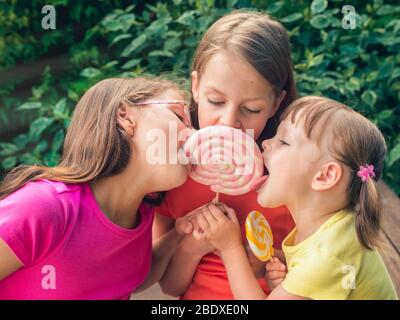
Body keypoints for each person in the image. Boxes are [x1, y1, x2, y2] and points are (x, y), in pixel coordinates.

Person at [0, 77, 193, 299]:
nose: (191, 134)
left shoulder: (142, 216)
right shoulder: (43, 206)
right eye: (179, 116)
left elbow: (119, 279)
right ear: (124, 115)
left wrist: (180, 235)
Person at [194, 96, 398, 300]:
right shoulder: (328, 228)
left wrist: (230, 248)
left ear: (324, 176)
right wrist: (278, 263)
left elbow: (319, 266)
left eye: (283, 141)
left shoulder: (327, 256)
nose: (265, 143)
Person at [155, 10, 297, 299]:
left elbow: (318, 270)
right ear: (195, 87)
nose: (229, 121)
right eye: (216, 101)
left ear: (276, 103)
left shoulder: (293, 176)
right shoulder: (170, 173)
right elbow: (169, 287)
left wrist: (271, 261)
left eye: (251, 109)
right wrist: (195, 245)